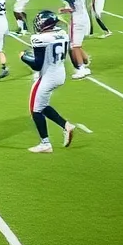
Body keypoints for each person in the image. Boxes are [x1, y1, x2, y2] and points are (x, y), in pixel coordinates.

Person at [22, 10, 78, 153]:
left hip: (47, 76)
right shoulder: (63, 34)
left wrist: (23, 57)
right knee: (42, 105)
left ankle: (45, 143)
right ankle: (66, 125)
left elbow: (37, 65)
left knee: (35, 109)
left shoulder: (39, 38)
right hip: (60, 73)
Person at [59, 0, 92, 79]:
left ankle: (81, 69)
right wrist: (66, 9)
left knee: (75, 45)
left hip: (77, 19)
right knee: (77, 43)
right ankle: (85, 60)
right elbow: (73, 6)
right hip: (81, 16)